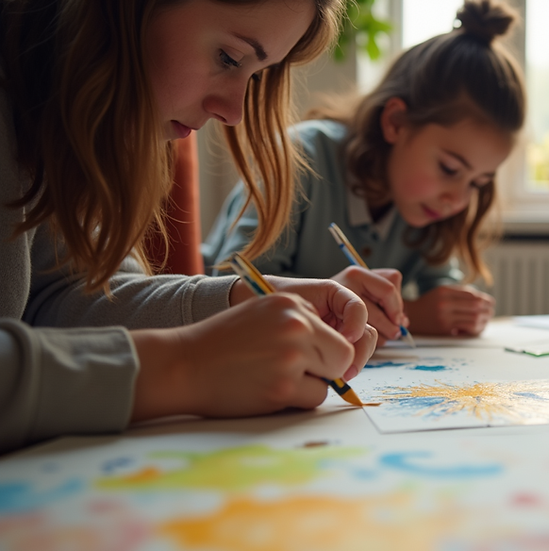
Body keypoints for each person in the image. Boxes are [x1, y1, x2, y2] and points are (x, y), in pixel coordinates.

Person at [0, 0, 378, 456]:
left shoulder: (58, 117)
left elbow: (63, 296)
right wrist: (185, 367)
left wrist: (238, 302)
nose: (234, 111)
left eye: (254, 75)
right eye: (229, 58)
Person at [204, 0, 525, 340]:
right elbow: (233, 287)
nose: (458, 198)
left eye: (478, 183)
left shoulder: (426, 206)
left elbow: (439, 287)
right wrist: (412, 314)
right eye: (449, 169)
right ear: (396, 123)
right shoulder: (298, 157)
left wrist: (454, 308)